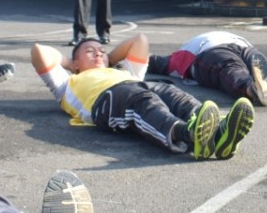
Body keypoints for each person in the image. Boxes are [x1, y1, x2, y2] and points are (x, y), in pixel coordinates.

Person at [32, 35, 254, 160]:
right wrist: (72, 66)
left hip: (133, 85)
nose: (99, 53)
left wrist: (106, 57)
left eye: (102, 50)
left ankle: (219, 135)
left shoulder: (126, 71)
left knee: (171, 92)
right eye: (90, 51)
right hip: (106, 101)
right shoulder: (66, 84)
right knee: (142, 100)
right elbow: (39, 51)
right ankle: (187, 134)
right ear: (76, 62)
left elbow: (140, 41)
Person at [147, 31, 267, 107]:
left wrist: (124, 60)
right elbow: (152, 60)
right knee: (264, 68)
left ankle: (256, 89)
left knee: (230, 69)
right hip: (240, 45)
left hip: (211, 50)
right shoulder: (183, 52)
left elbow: (152, 60)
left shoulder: (179, 54)